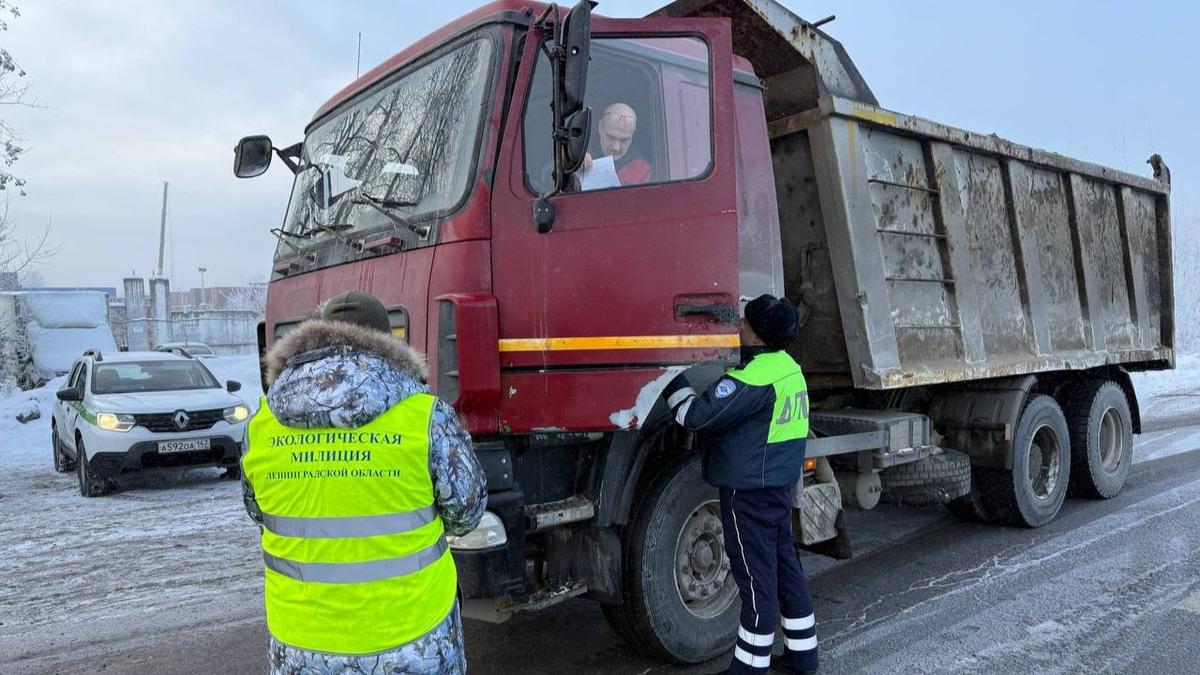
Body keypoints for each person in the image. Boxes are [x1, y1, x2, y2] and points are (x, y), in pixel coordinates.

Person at [240, 290, 488, 675]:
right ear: (388, 342)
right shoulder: (425, 417)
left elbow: (260, 513)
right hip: (413, 638)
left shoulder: (262, 425)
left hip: (300, 644)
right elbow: (467, 513)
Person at [662, 294, 818, 675]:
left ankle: (749, 669)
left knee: (754, 581)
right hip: (777, 489)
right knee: (786, 570)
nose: (739, 326)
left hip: (748, 494)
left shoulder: (755, 378)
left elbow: (694, 416)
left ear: (758, 336)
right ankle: (803, 658)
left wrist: (668, 375)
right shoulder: (790, 369)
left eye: (745, 323)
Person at [581, 102, 653, 186]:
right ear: (600, 127)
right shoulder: (580, 150)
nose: (616, 147)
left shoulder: (643, 171)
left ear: (633, 134)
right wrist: (575, 163)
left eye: (624, 140)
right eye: (611, 137)